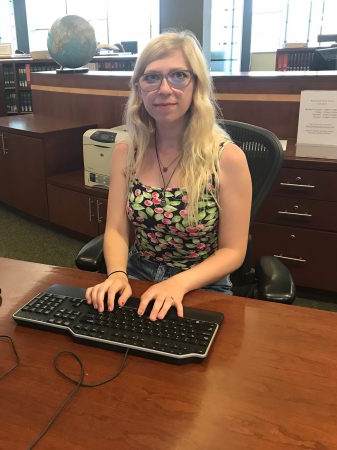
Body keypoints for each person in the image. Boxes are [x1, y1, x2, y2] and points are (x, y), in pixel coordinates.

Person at [85, 30, 252, 321]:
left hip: (202, 283)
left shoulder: (227, 158)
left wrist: (178, 283)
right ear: (139, 88)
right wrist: (116, 274)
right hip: (137, 274)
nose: (164, 89)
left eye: (178, 76)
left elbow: (233, 251)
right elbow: (116, 230)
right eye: (152, 77)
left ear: (196, 84)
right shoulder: (127, 151)